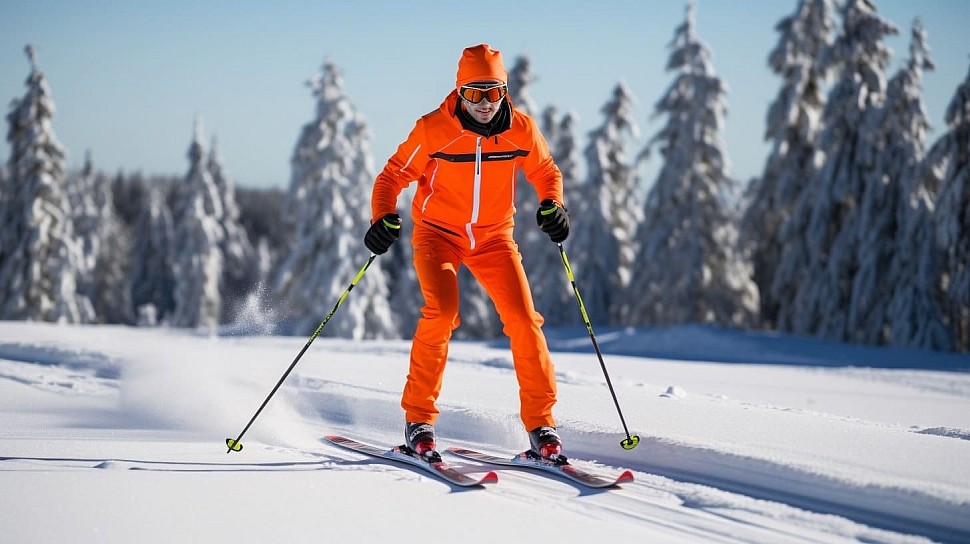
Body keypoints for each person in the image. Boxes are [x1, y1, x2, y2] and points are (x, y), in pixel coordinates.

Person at [364, 43, 570, 462]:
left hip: (494, 238)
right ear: (459, 92)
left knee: (524, 320)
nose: (484, 103)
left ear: (505, 92)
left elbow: (546, 171)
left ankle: (541, 426)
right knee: (441, 314)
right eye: (475, 93)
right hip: (438, 234)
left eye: (494, 92)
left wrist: (553, 204)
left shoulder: (521, 130)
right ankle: (418, 420)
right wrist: (382, 216)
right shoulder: (433, 130)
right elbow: (392, 176)